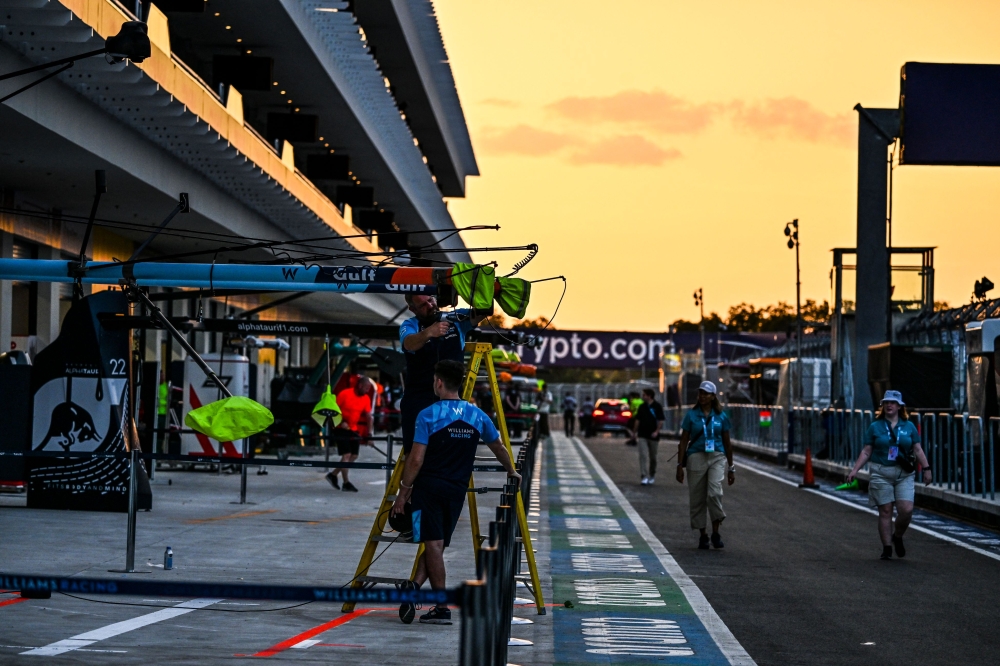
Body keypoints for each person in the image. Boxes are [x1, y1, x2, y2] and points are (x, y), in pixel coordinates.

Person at [392, 360, 520, 625]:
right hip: (456, 491)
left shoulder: (428, 415)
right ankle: (413, 587)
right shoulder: (477, 415)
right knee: (435, 545)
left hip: (427, 490)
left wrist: (403, 493)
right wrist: (512, 471)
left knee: (433, 544)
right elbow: (498, 447)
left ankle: (441, 608)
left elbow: (415, 459)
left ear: (438, 382)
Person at [847, 390, 932, 560]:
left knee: (906, 510)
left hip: (904, 473)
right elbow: (866, 451)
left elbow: (917, 448)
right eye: (886, 402)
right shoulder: (875, 427)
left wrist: (927, 468)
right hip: (881, 472)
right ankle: (886, 547)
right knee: (885, 511)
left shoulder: (909, 426)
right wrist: (854, 470)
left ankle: (897, 536)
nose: (889, 405)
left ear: (900, 406)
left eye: (893, 403)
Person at [399, 294, 483, 454]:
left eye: (430, 300)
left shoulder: (456, 319)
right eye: (423, 305)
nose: (429, 306)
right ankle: (411, 479)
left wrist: (469, 290)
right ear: (412, 309)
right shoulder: (410, 324)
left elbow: (483, 311)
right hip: (418, 398)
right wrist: (429, 333)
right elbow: (408, 343)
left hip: (451, 399)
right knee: (414, 451)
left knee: (450, 450)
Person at [676, 381, 735, 549]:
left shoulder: (721, 416)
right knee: (697, 498)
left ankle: (716, 531)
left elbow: (727, 443)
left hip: (717, 456)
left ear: (713, 396)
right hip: (696, 456)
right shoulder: (691, 415)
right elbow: (683, 441)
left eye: (706, 393)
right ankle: (703, 535)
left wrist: (731, 467)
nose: (702, 396)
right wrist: (679, 465)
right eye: (700, 393)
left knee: (714, 492)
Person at [325, 375, 374, 492]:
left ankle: (333, 474)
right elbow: (332, 411)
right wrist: (341, 422)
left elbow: (369, 417)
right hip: (340, 427)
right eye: (366, 388)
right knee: (346, 455)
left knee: (354, 455)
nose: (367, 391)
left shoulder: (366, 398)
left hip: (353, 428)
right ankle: (346, 483)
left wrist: (370, 435)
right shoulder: (345, 394)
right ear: (360, 385)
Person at [631, 388, 665, 485]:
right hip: (642, 434)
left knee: (653, 457)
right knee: (643, 455)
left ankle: (652, 474)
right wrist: (634, 432)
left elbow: (661, 420)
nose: (643, 397)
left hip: (653, 435)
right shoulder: (642, 407)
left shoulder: (657, 406)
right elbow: (637, 420)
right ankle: (643, 475)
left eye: (644, 395)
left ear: (649, 396)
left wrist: (657, 431)